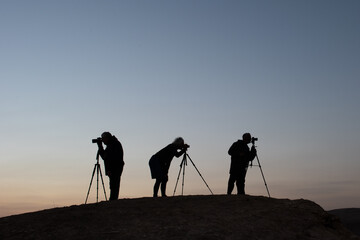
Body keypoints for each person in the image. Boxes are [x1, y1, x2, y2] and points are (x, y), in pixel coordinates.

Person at [97, 132, 124, 200]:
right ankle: (113, 198)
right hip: (116, 167)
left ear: (107, 138)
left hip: (115, 168)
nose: (102, 141)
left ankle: (113, 199)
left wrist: (109, 170)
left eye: (103, 138)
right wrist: (100, 146)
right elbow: (105, 157)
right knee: (113, 184)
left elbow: (107, 158)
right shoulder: (113, 144)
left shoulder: (113, 145)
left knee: (114, 184)